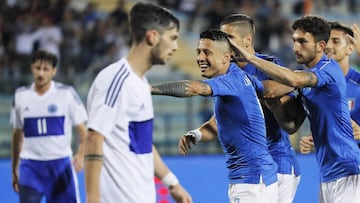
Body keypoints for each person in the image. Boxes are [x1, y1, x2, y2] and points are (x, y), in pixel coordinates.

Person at [230, 15, 360, 203]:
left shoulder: (328, 69)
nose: (295, 47)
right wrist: (275, 106)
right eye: (294, 41)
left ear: (320, 46)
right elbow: (290, 124)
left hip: (347, 167)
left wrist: (250, 58)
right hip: (328, 171)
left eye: (302, 42)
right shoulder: (307, 79)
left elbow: (292, 80)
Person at [152, 29, 279, 203]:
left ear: (226, 57)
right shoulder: (239, 79)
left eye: (207, 52)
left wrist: (148, 89)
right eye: (198, 51)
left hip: (252, 179)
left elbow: (194, 88)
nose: (200, 58)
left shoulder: (231, 81)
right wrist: (196, 134)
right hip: (258, 177)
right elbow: (218, 124)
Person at [84, 2, 192, 203]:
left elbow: (143, 144)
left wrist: (172, 184)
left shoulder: (140, 83)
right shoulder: (115, 80)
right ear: (153, 37)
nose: (176, 47)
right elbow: (93, 139)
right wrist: (92, 199)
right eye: (173, 38)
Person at [219, 14, 303, 203]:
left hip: (278, 161)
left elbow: (290, 121)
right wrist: (198, 133)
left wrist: (294, 82)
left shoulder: (269, 67)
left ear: (247, 40)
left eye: (228, 38)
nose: (223, 44)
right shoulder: (227, 72)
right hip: (249, 166)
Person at [11, 50, 87, 203]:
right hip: (30, 167)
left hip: (60, 166)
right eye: (37, 68)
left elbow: (82, 130)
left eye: (46, 69)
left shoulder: (66, 94)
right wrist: (15, 169)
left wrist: (81, 154)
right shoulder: (20, 96)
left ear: (54, 71)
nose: (41, 73)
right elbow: (17, 135)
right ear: (32, 68)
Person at [299, 22, 360, 153]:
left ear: (350, 48)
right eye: (327, 41)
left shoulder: (358, 82)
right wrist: (312, 139)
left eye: (336, 41)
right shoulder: (315, 84)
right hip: (333, 165)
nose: (329, 46)